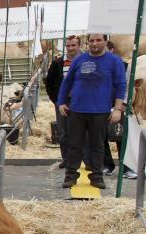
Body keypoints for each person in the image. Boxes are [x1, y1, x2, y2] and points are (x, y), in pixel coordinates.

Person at [57, 33, 128, 189]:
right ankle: (70, 176)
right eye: (91, 41)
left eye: (98, 40)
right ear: (87, 42)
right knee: (74, 145)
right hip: (77, 110)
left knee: (97, 145)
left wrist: (117, 108)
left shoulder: (115, 61)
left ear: (105, 41)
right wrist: (61, 102)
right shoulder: (78, 60)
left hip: (101, 111)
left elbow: (120, 85)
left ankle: (96, 177)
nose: (94, 43)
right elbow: (66, 83)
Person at [45, 35, 83, 168]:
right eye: (68, 45)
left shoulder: (86, 61)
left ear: (79, 46)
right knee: (63, 131)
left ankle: (84, 159)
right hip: (63, 101)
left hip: (82, 101)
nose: (71, 48)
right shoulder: (57, 63)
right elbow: (49, 82)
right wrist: (56, 100)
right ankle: (67, 159)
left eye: (73, 45)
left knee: (83, 130)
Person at [104, 40, 136, 179]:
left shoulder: (123, 65)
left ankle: (127, 168)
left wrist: (123, 103)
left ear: (111, 50)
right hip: (102, 105)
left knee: (121, 136)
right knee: (101, 136)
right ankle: (106, 165)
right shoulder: (98, 64)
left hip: (119, 106)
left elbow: (128, 85)